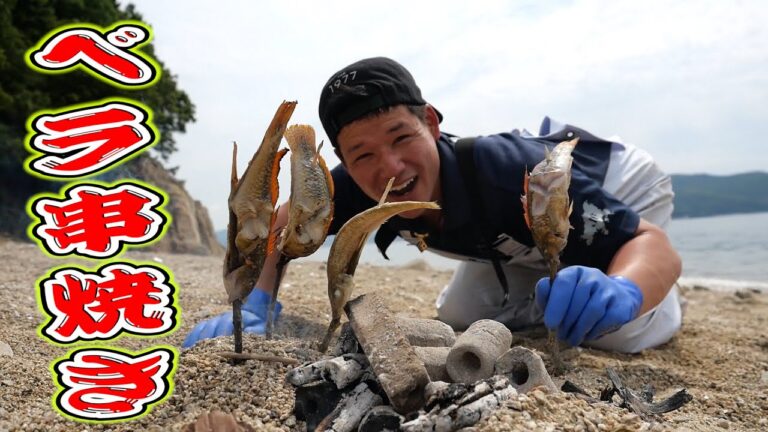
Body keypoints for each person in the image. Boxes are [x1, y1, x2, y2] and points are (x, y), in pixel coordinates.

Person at [184, 57, 682, 354]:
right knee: (460, 313)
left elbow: (649, 242)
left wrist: (625, 291)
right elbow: (277, 227)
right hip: (505, 236)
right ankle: (553, 290)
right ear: (344, 161)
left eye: (403, 137)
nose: (391, 167)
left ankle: (638, 300)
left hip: (608, 184)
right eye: (363, 154)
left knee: (613, 329)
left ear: (432, 123)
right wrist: (256, 302)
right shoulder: (357, 185)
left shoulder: (504, 169)